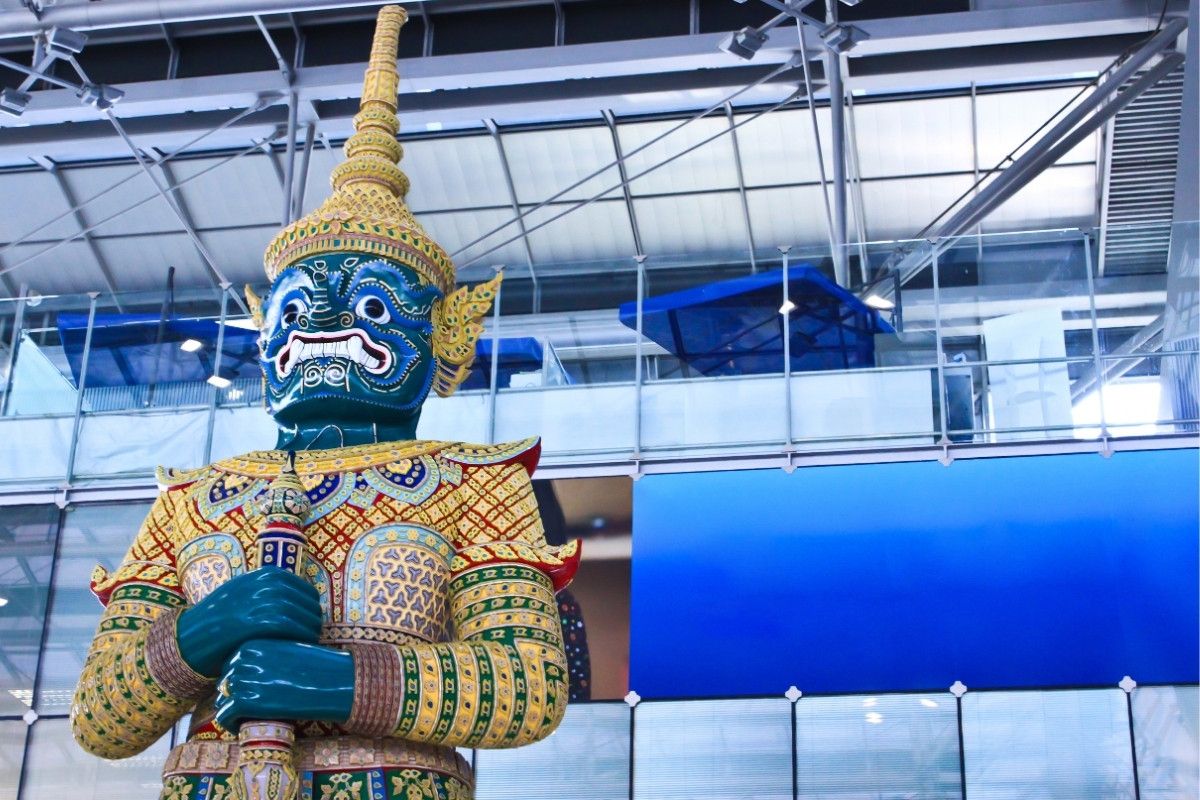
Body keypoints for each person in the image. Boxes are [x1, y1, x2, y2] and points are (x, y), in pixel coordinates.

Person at [69, 6, 578, 799]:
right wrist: (204, 630)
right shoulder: (191, 502)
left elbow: (527, 683)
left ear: (447, 336)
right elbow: (102, 720)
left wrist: (345, 684)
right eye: (297, 312)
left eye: (374, 309)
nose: (326, 328)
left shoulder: (475, 485)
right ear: (267, 335)